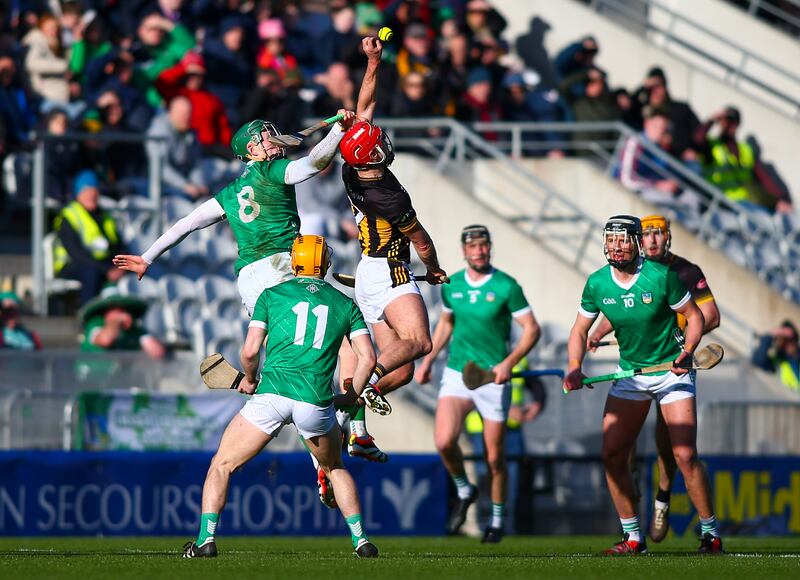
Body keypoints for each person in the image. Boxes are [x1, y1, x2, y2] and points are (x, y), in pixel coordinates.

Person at [181, 235, 379, 559]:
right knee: (334, 467)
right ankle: (361, 541)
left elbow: (249, 351)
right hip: (316, 402)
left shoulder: (271, 296)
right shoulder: (345, 304)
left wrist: (248, 379)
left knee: (222, 464)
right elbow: (368, 359)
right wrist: (352, 396)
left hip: (270, 396)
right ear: (326, 263)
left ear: (294, 261)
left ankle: (206, 540)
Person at [563, 215, 722, 555]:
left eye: (622, 240)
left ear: (635, 243)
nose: (616, 246)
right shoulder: (596, 283)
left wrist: (688, 351)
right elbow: (578, 331)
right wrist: (575, 367)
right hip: (631, 375)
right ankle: (633, 537)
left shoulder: (662, 276)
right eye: (611, 240)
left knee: (683, 454)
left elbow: (696, 317)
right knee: (612, 454)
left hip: (671, 372)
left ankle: (710, 534)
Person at [337, 36, 449, 414]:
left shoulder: (352, 169)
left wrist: (372, 62)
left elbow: (364, 105)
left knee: (402, 372)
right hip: (390, 269)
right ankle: (367, 379)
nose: (384, 139)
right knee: (420, 342)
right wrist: (433, 269)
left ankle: (348, 413)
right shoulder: (389, 196)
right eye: (379, 140)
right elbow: (421, 241)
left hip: (367, 273)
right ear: (375, 153)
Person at [414, 225, 540, 543]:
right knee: (443, 441)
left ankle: (497, 520)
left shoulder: (506, 286)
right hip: (458, 371)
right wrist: (429, 360)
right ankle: (464, 488)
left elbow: (532, 330)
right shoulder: (451, 284)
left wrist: (508, 364)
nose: (479, 251)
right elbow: (446, 322)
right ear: (464, 251)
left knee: (495, 457)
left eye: (484, 246)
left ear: (489, 248)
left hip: (492, 378)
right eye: (473, 247)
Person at [463, 357, 546, 534]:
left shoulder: (519, 358)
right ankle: (484, 526)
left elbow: (536, 385)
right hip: (482, 430)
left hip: (512, 432)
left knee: (512, 483)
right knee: (486, 479)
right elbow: (470, 395)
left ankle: (507, 528)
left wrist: (536, 404)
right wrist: (506, 412)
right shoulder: (477, 356)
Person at [695, 106, 792, 213]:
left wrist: (782, 198)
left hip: (741, 203)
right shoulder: (711, 146)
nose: (729, 125)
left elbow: (765, 177)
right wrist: (711, 120)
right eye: (726, 121)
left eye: (733, 122)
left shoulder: (745, 150)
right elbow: (697, 139)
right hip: (716, 201)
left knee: (766, 215)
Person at [53, 170, 126, 306]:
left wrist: (122, 266)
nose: (91, 194)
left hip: (103, 264)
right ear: (78, 193)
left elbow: (118, 246)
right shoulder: (69, 216)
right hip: (72, 266)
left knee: (135, 271)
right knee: (91, 273)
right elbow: (77, 254)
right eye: (87, 190)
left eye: (94, 190)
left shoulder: (104, 216)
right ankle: (88, 315)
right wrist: (107, 269)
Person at [79, 288, 165, 359]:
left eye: (123, 309)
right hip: (91, 377)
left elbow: (157, 352)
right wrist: (117, 321)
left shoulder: (134, 330)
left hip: (122, 378)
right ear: (106, 312)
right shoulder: (95, 323)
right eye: (114, 309)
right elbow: (106, 340)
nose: (121, 313)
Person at [752, 320, 800, 392]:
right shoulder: (776, 362)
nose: (787, 344)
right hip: (785, 401)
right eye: (784, 341)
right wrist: (771, 334)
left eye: (790, 340)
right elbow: (758, 361)